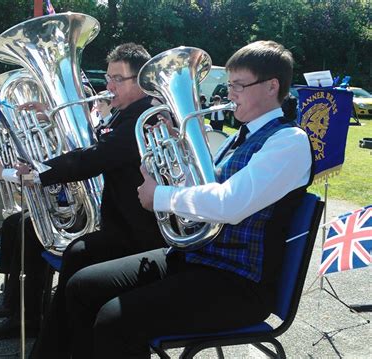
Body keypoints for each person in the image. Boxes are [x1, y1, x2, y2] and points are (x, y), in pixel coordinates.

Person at [61, 40, 314, 359]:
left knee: (116, 319)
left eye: (238, 85)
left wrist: (161, 195)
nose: (230, 93)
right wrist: (177, 153)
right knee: (82, 286)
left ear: (271, 87)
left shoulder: (289, 142)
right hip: (196, 259)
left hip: (238, 284)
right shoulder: (240, 138)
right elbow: (203, 190)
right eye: (229, 84)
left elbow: (229, 205)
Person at [0, 43, 166, 356]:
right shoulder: (129, 114)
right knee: (75, 252)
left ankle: (56, 346)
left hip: (139, 236)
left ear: (141, 80)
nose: (108, 87)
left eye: (117, 79)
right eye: (108, 78)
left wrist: (37, 173)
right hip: (122, 225)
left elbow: (96, 157)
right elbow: (97, 144)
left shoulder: (145, 119)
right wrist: (51, 117)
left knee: (79, 253)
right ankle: (58, 344)